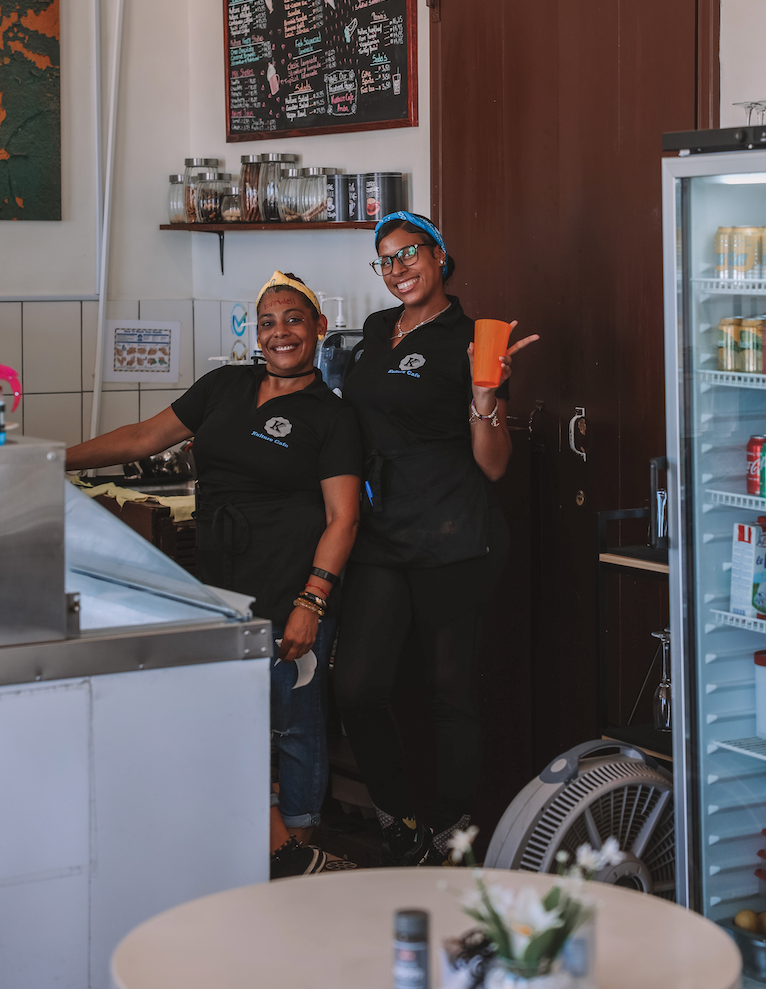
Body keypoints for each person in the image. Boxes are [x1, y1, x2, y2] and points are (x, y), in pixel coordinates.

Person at [66, 272, 362, 877]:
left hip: (291, 579)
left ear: (319, 329)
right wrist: (51, 458)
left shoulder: (331, 416)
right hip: (222, 581)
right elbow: (144, 436)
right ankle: (267, 842)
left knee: (294, 719)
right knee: (232, 713)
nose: (281, 333)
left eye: (294, 320)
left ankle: (302, 843)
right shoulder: (227, 384)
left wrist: (313, 600)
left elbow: (344, 518)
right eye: (269, 322)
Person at [335, 211, 539, 866]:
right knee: (359, 686)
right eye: (385, 260)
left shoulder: (472, 337)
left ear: (440, 255)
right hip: (383, 530)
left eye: (409, 254)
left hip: (455, 533)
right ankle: (397, 815)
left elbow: (494, 463)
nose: (397, 269)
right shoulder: (375, 329)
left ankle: (452, 835)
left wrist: (486, 392)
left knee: (451, 692)